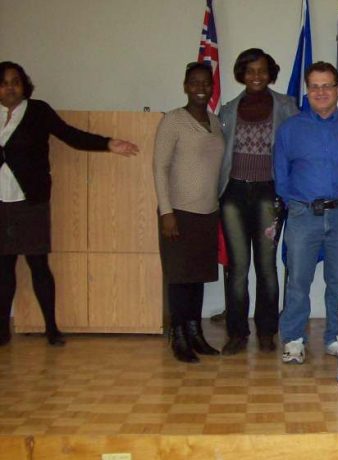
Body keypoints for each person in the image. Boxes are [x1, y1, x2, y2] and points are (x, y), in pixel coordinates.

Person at [0, 61, 138, 346]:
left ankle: (52, 328)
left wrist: (108, 143)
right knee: (3, 269)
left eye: (15, 81)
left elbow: (70, 135)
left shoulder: (38, 111)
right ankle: (2, 330)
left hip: (30, 201)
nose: (10, 87)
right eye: (3, 82)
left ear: (24, 84)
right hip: (0, 202)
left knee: (38, 265)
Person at [273, 61, 338, 364]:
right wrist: (297, 205)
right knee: (298, 280)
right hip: (304, 214)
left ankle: (336, 337)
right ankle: (293, 339)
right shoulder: (291, 128)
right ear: (307, 90)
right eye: (314, 86)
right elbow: (281, 174)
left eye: (327, 85)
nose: (321, 91)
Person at [218, 48, 298, 354]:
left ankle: (267, 331)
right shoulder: (227, 110)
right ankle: (237, 332)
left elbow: (294, 150)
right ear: (241, 74)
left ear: (271, 72)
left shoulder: (287, 106)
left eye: (262, 70)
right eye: (250, 71)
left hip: (269, 194)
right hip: (233, 195)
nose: (256, 77)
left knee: (266, 266)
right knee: (237, 268)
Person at [153, 62, 225, 363]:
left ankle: (196, 334)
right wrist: (167, 212)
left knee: (197, 279)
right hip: (178, 213)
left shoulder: (215, 121)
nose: (200, 88)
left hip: (207, 213)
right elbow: (160, 166)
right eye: (194, 82)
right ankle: (179, 337)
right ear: (185, 85)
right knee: (180, 279)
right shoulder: (173, 120)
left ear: (212, 86)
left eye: (206, 83)